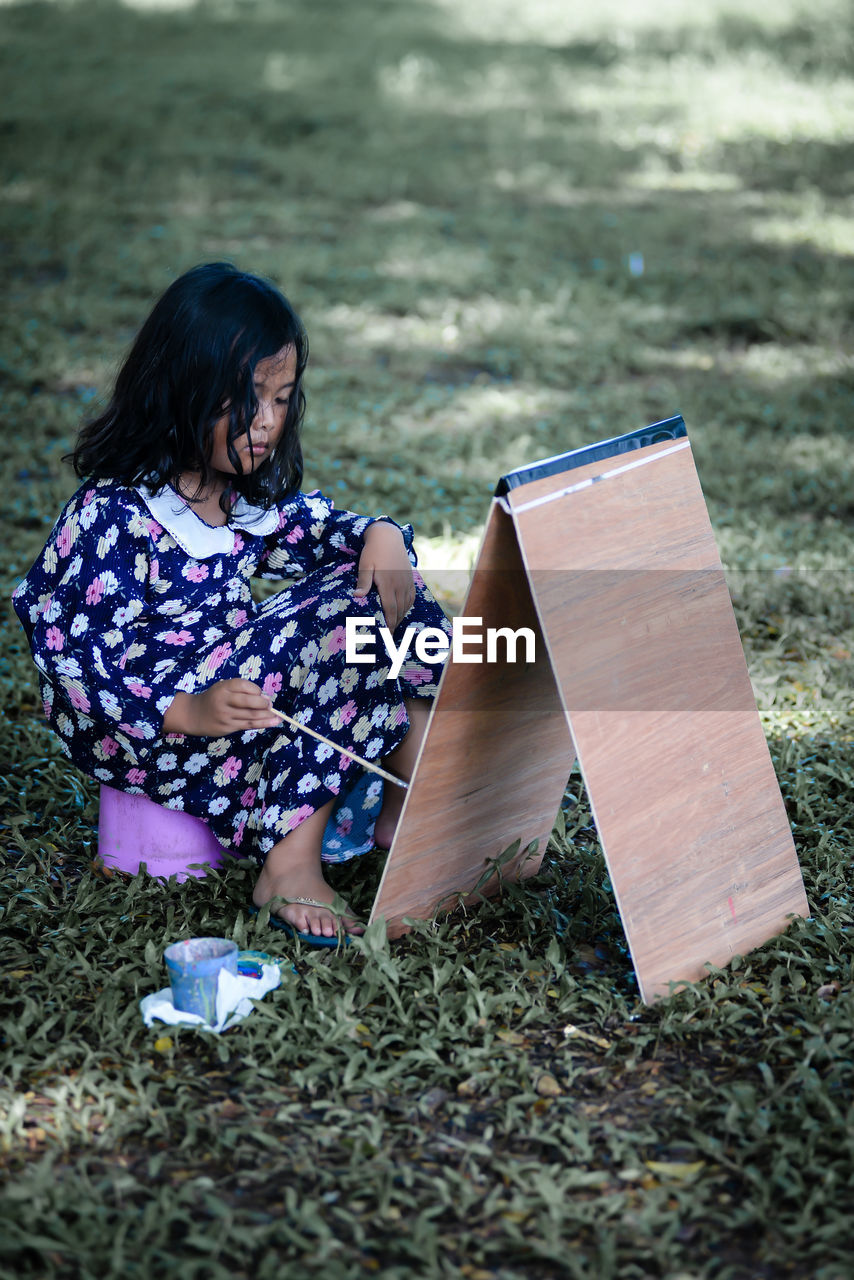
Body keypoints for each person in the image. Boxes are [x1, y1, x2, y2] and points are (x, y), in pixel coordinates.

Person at [12, 263, 451, 943]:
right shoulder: (114, 516)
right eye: (249, 398)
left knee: (387, 590)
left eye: (283, 398)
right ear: (182, 387)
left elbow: (313, 533)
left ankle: (418, 802)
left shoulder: (235, 501)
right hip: (159, 738)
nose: (269, 421)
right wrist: (182, 709)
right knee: (337, 627)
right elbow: (68, 654)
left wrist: (379, 534)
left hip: (241, 715)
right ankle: (288, 868)